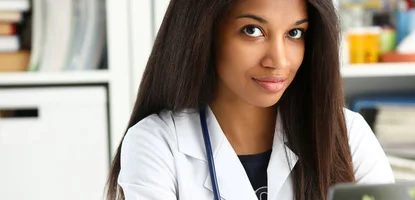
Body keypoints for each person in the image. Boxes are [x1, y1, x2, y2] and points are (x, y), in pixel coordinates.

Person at [104, 0, 394, 199]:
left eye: (295, 33)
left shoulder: (348, 133)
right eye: (252, 31)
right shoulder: (156, 143)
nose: (278, 60)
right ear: (203, 33)